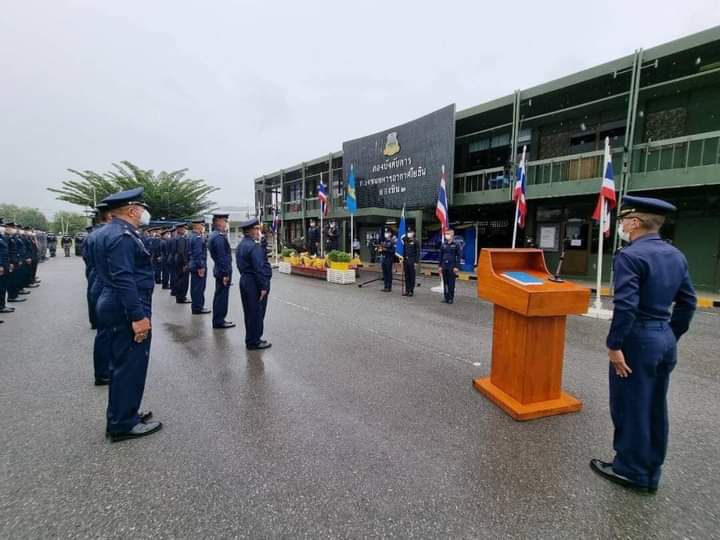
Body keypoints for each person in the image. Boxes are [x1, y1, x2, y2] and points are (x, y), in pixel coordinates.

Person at [590, 195, 696, 493]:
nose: (622, 226)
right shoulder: (676, 255)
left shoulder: (630, 256)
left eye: (624, 220)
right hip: (663, 338)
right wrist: (669, 334)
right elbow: (688, 302)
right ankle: (650, 470)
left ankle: (630, 471)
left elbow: (626, 306)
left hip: (637, 341)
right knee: (654, 406)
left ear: (635, 222)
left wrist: (614, 345)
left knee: (630, 405)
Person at [92, 186, 161, 442]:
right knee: (130, 365)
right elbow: (124, 278)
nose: (144, 212)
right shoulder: (123, 236)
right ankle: (122, 424)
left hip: (112, 300)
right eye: (141, 208)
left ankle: (125, 413)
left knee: (121, 363)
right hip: (127, 305)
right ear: (132, 210)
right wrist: (138, 316)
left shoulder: (106, 232)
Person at [83, 202, 112, 384]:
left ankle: (103, 371)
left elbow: (87, 260)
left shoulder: (93, 235)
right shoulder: (106, 234)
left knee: (104, 330)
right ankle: (102, 372)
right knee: (107, 332)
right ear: (109, 215)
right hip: (104, 283)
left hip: (96, 280)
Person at [236, 218, 272, 350]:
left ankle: (251, 338)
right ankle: (254, 341)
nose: (259, 231)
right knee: (257, 312)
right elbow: (259, 268)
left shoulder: (241, 245)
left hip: (245, 280)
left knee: (249, 312)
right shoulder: (253, 246)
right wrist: (263, 286)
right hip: (254, 282)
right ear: (250, 231)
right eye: (256, 229)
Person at [208, 213, 235, 329]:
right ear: (218, 222)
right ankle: (219, 321)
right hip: (222, 271)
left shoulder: (215, 235)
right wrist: (225, 274)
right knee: (222, 297)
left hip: (219, 270)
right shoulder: (218, 237)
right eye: (225, 221)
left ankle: (218, 320)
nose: (226, 223)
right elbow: (222, 257)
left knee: (220, 295)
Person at [188, 218, 210, 315]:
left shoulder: (191, 236)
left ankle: (196, 306)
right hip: (198, 266)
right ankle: (198, 308)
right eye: (202, 225)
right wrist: (200, 267)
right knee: (199, 288)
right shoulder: (197, 237)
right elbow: (198, 254)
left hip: (193, 264)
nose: (203, 227)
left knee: (195, 287)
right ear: (197, 226)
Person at [439, 229, 461, 304]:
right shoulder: (443, 244)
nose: (446, 235)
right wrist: (440, 266)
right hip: (444, 266)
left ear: (452, 234)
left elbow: (459, 256)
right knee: (445, 283)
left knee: (451, 283)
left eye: (448, 234)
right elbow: (441, 256)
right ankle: (446, 297)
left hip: (452, 266)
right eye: (446, 234)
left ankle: (451, 298)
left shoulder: (456, 244)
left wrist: (457, 267)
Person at [172, 223, 191, 304]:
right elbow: (182, 252)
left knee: (178, 279)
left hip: (177, 261)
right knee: (183, 281)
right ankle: (181, 298)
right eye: (183, 229)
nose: (185, 230)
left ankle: (179, 297)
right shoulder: (181, 239)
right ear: (179, 229)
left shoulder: (175, 238)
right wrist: (185, 264)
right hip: (181, 262)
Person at [402, 229, 419, 297]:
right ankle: (407, 290)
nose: (409, 234)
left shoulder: (416, 241)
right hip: (405, 260)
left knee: (412, 276)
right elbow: (402, 238)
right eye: (408, 232)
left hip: (412, 260)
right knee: (407, 276)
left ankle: (411, 291)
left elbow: (417, 252)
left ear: (413, 233)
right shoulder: (406, 240)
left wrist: (416, 261)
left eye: (410, 232)